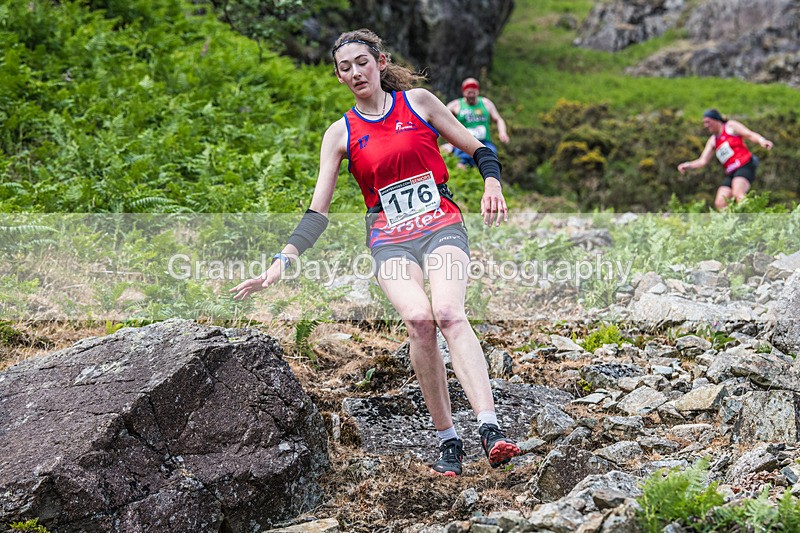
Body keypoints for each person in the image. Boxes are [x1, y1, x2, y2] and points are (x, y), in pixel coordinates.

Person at [230, 29, 521, 476]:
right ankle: (448, 441)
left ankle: (489, 428)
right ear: (339, 76)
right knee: (419, 321)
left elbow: (480, 149)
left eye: (361, 63)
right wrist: (280, 263)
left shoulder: (419, 103)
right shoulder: (340, 133)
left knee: (448, 312)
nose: (355, 73)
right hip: (389, 236)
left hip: (440, 223)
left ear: (380, 62)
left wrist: (492, 184)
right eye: (344, 68)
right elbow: (317, 212)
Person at [677, 108, 773, 210]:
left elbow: (749, 134)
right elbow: (702, 161)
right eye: (704, 123)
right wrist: (688, 165)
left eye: (708, 122)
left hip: (745, 164)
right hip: (731, 171)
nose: (706, 125)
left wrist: (762, 141)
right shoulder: (713, 140)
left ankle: (752, 217)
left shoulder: (730, 127)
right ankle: (729, 220)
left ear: (716, 120)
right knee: (720, 202)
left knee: (738, 193)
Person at [443, 77, 510, 169]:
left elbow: (499, 119)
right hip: (463, 143)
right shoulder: (455, 105)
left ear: (478, 91)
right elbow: (443, 122)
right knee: (461, 163)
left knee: (491, 161)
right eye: (469, 93)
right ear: (463, 92)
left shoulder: (486, 103)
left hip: (484, 142)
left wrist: (502, 133)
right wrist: (450, 142)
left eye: (473, 93)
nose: (471, 96)